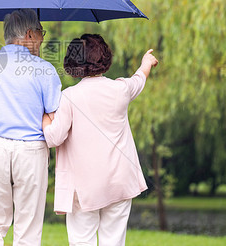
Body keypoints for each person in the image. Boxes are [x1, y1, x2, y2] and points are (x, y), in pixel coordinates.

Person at [42, 34, 158, 246]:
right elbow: (139, 79)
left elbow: (53, 138)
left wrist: (46, 118)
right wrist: (146, 62)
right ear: (105, 58)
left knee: (82, 241)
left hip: (84, 185)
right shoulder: (120, 89)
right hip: (119, 181)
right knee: (113, 241)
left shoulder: (70, 97)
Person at [0, 8, 62, 246]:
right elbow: (54, 119)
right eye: (41, 33)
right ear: (29, 34)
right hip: (32, 152)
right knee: (28, 229)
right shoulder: (45, 69)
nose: (42, 39)